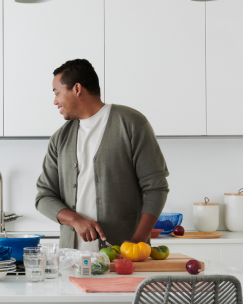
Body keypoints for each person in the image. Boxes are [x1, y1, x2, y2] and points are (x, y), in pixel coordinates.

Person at [35, 59, 169, 251]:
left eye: (57, 93)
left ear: (77, 89)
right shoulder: (60, 138)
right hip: (71, 259)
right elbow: (44, 196)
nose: (55, 100)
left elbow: (156, 188)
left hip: (124, 260)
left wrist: (136, 243)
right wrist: (76, 220)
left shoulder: (131, 123)